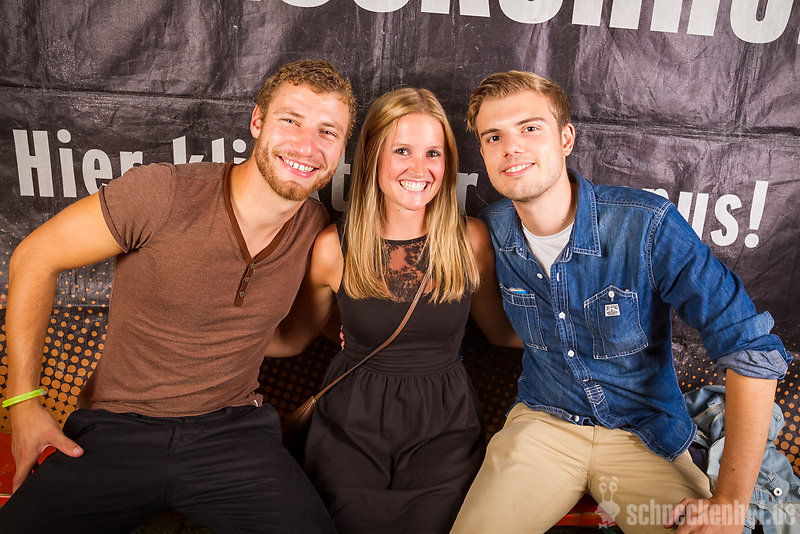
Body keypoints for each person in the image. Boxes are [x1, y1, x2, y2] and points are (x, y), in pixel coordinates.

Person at [0, 59, 356, 534]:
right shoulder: (163, 193)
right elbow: (34, 258)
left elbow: (290, 339)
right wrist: (23, 401)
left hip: (234, 436)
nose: (307, 146)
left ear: (342, 148)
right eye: (291, 120)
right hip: (118, 430)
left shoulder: (315, 229)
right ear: (257, 122)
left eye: (328, 132)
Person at [449, 70, 792, 534]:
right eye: (494, 136)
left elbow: (750, 346)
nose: (512, 147)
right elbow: (502, 332)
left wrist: (731, 501)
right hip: (543, 425)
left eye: (530, 128)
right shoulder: (491, 232)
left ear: (565, 138)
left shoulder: (646, 225)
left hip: (644, 434)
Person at [267, 87, 521, 534]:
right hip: (351, 423)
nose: (419, 169)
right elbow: (296, 337)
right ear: (372, 156)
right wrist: (203, 338)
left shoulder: (470, 241)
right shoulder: (333, 247)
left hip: (444, 426)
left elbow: (501, 332)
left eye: (433, 153)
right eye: (402, 151)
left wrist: (589, 333)